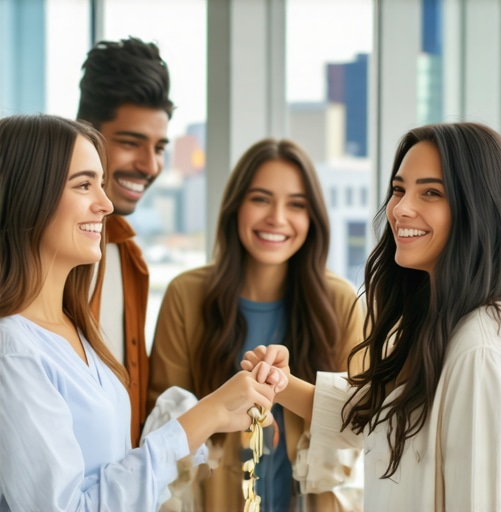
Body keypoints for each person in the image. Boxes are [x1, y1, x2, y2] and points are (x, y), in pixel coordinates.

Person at [0, 114, 286, 512]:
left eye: (101, 184)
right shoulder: (11, 349)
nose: (105, 203)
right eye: (84, 185)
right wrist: (204, 416)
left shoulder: (76, 330)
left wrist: (219, 415)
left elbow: (115, 472)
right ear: (28, 197)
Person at [243, 122, 501, 512]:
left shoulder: (479, 352)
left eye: (431, 192)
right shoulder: (439, 322)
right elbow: (381, 417)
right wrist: (282, 385)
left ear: (478, 208)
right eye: (400, 189)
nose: (400, 208)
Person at [148, 138, 365, 512]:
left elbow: (359, 427)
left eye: (296, 204)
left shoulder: (340, 301)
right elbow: (163, 430)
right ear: (236, 207)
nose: (277, 218)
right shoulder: (186, 295)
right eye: (261, 199)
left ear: (313, 217)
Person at [77, 36, 173, 447]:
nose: (149, 165)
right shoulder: (27, 255)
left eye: (160, 147)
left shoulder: (128, 257)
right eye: (130, 142)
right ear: (86, 135)